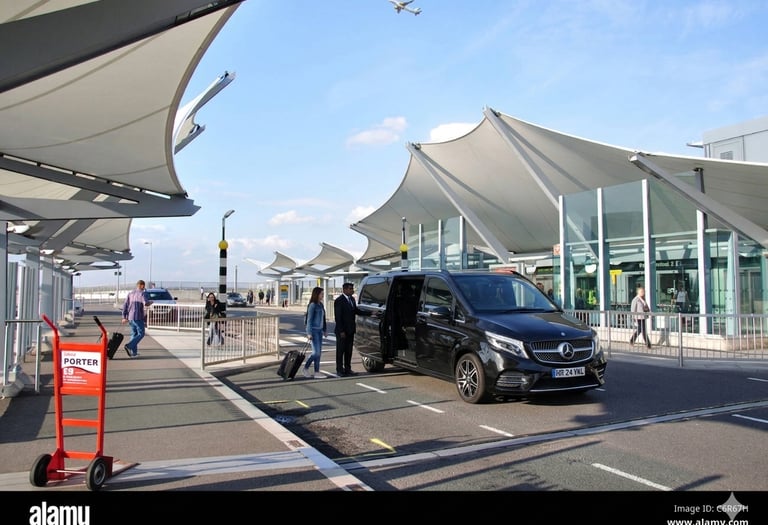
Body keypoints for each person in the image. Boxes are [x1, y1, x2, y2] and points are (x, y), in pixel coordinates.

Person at [334, 282, 361, 377]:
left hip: (350, 330)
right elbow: (338, 317)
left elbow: (356, 311)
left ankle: (348, 369)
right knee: (340, 351)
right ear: (344, 290)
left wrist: (370, 313)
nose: (352, 290)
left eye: (352, 289)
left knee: (349, 351)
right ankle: (339, 370)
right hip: (342, 331)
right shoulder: (339, 300)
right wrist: (341, 331)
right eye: (350, 289)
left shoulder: (352, 299)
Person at [121, 279, 152, 358]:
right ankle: (129, 346)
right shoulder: (142, 294)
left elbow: (125, 305)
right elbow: (146, 303)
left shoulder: (130, 294)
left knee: (134, 334)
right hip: (138, 317)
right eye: (143, 285)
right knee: (141, 333)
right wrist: (151, 302)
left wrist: (124, 317)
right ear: (141, 285)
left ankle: (133, 353)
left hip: (130, 317)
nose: (144, 287)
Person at [302, 287, 327, 378]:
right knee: (316, 352)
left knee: (319, 353)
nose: (322, 295)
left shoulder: (321, 305)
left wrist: (324, 330)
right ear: (317, 294)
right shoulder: (312, 305)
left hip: (320, 331)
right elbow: (309, 320)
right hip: (314, 331)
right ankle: (305, 368)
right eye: (321, 294)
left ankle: (317, 372)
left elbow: (323, 319)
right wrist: (309, 333)